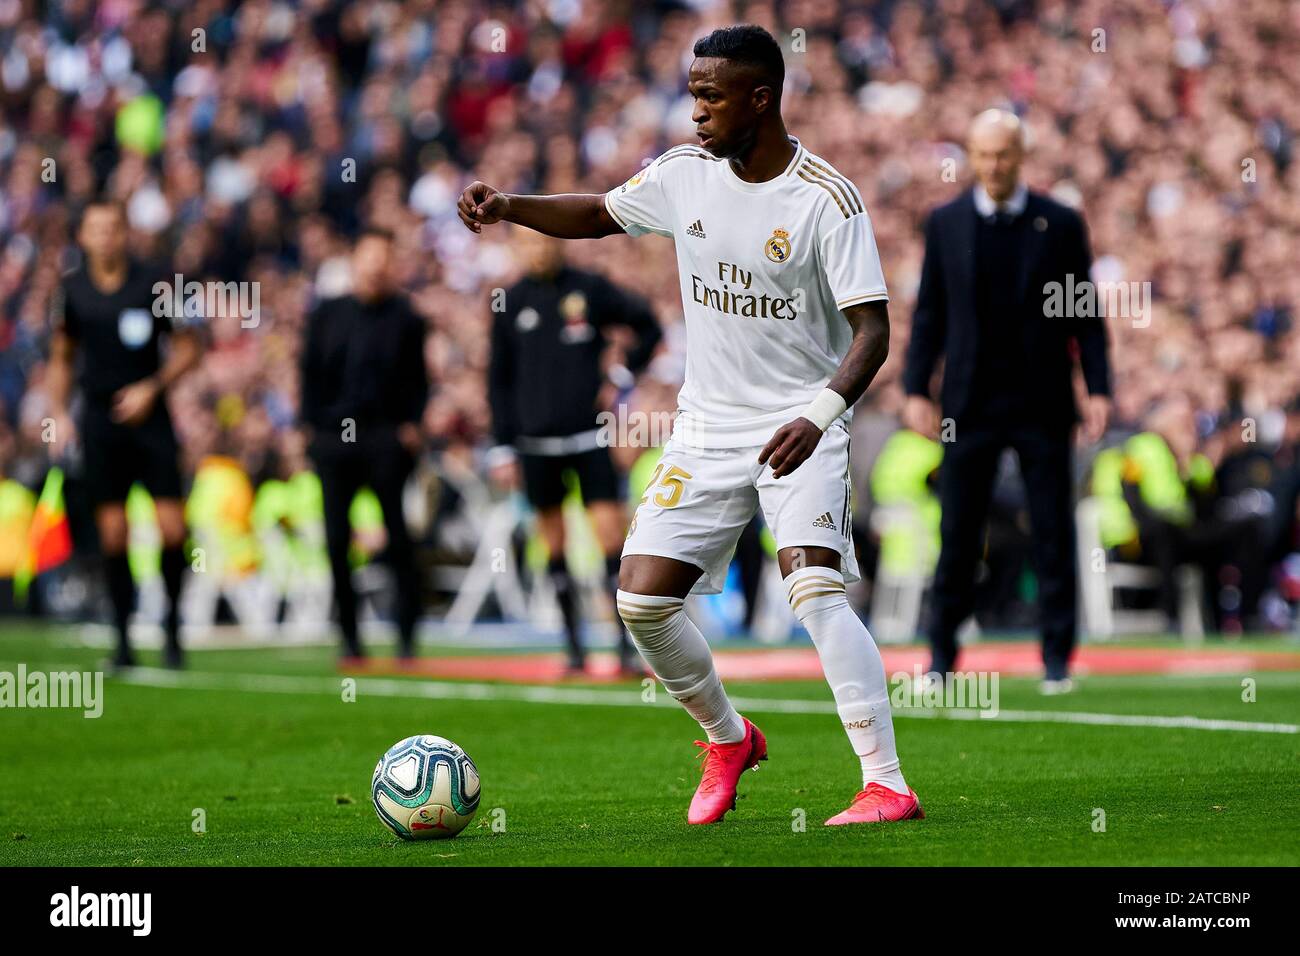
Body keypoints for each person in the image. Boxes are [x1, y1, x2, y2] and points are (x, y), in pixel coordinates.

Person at [459, 24, 921, 827]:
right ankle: (728, 737)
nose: (695, 110)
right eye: (694, 92)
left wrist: (818, 417)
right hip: (707, 428)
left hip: (798, 424)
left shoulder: (826, 199)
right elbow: (600, 214)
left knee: (814, 589)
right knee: (639, 602)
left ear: (761, 98)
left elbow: (873, 333)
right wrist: (512, 209)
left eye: (710, 95)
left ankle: (886, 783)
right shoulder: (684, 175)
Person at [901, 109, 1112, 693]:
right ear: (971, 156)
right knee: (958, 532)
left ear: (1021, 156)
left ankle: (1057, 660)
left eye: (1004, 154)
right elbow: (930, 315)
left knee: (1052, 531)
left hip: (1043, 402)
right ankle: (941, 658)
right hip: (968, 405)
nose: (994, 165)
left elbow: (1085, 316)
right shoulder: (944, 223)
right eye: (984, 154)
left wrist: (1098, 388)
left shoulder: (1061, 222)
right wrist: (917, 389)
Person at [487, 227, 661, 676]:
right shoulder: (507, 301)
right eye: (529, 241)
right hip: (534, 442)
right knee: (554, 542)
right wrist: (503, 446)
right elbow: (499, 380)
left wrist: (621, 376)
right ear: (518, 247)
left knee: (609, 536)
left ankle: (623, 647)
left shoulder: (590, 288)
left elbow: (648, 324)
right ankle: (574, 648)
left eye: (546, 239)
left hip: (589, 436)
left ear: (559, 241)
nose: (540, 248)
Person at [46, 199, 202, 670]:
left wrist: (151, 388)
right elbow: (61, 356)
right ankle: (122, 638)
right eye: (96, 228)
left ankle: (173, 628)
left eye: (114, 227)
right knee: (113, 533)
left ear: (125, 232)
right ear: (84, 237)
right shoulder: (72, 291)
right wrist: (58, 411)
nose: (106, 236)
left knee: (173, 526)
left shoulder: (155, 283)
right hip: (99, 419)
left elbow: (188, 348)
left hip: (150, 418)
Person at [300, 228, 429, 661]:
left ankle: (407, 637)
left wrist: (411, 425)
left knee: (399, 537)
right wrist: (308, 429)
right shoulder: (326, 314)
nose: (376, 266)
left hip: (385, 437)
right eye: (369, 256)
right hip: (334, 438)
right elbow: (310, 374)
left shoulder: (407, 318)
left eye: (385, 258)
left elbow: (418, 379)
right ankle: (350, 639)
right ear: (355, 260)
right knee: (337, 539)